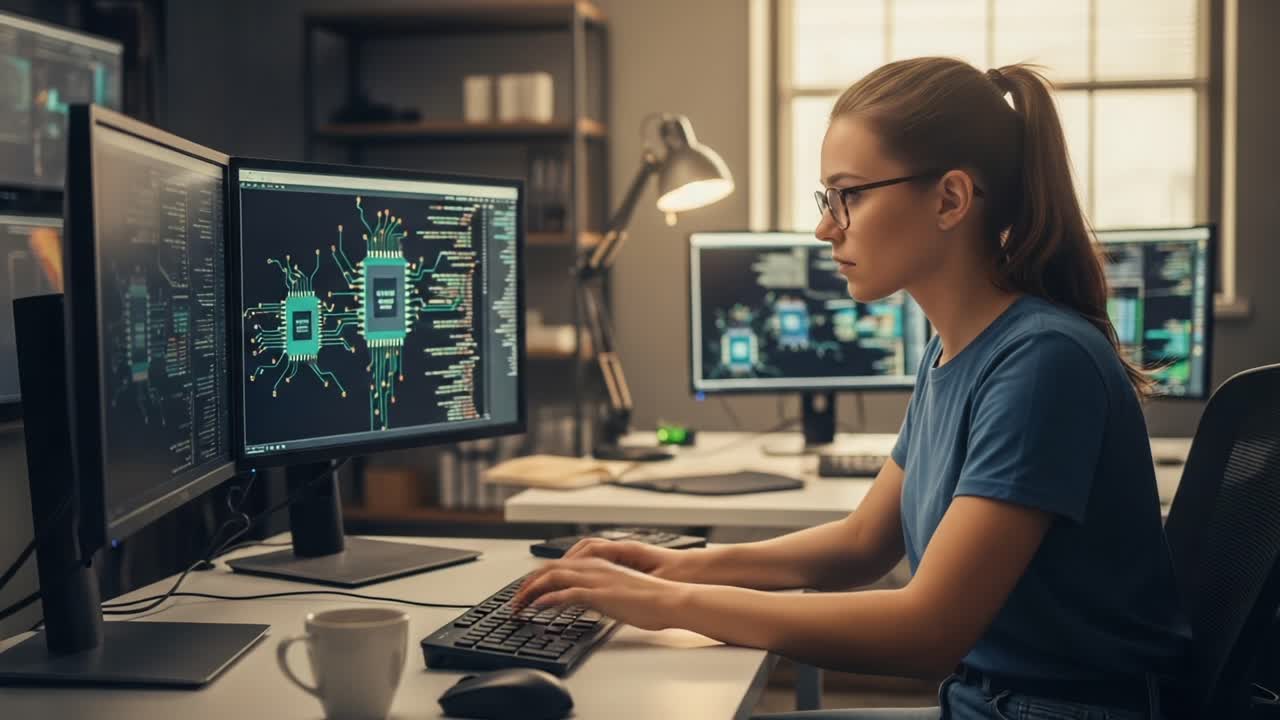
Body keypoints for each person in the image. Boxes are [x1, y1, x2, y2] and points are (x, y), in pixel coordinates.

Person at [513, 57, 1189, 720]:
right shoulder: (954, 349)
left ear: (951, 198)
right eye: (826, 198)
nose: (825, 227)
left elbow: (928, 631)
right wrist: (673, 566)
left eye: (850, 195)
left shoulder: (1042, 361)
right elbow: (863, 541)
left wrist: (661, 605)